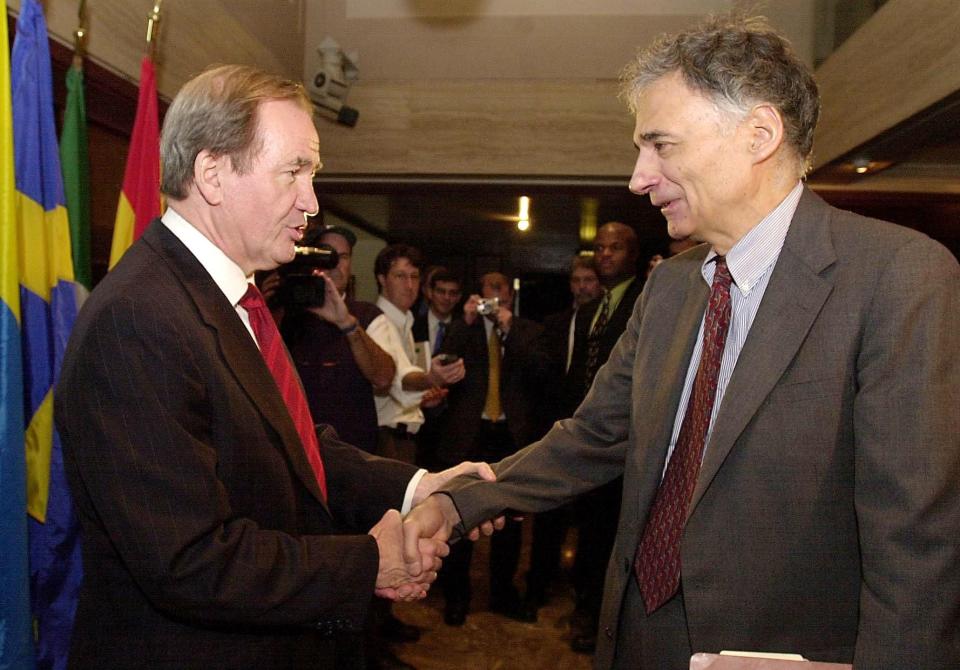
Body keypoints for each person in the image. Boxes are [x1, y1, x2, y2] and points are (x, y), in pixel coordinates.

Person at [406, 14, 960, 669]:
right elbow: (594, 437)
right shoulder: (669, 287)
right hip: (637, 634)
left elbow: (915, 544)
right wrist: (460, 503)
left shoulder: (897, 277)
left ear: (758, 135)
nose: (638, 178)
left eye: (660, 146)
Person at [54, 64, 491, 669]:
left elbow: (295, 451)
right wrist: (369, 561)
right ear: (212, 173)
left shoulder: (234, 298)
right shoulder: (140, 319)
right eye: (294, 172)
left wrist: (421, 484)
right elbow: (191, 561)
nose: (311, 202)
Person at [434, 272, 550, 625]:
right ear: (477, 296)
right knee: (460, 515)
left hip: (511, 437)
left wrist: (508, 327)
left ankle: (502, 593)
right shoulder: (464, 328)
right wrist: (467, 320)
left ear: (510, 299)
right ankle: (457, 597)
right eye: (487, 291)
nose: (493, 298)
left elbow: (542, 370)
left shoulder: (527, 331)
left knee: (509, 523)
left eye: (500, 292)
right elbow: (443, 361)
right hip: (470, 434)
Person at [522, 255, 603, 624]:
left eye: (590, 280)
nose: (583, 286)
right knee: (548, 516)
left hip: (599, 438)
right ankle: (537, 587)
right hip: (557, 434)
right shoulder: (555, 325)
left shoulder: (611, 327)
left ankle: (584, 599)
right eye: (577, 280)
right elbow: (539, 374)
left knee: (591, 523)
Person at [274, 223, 395, 454]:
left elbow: (383, 378)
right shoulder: (288, 315)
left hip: (354, 452)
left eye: (343, 256)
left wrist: (347, 324)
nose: (335, 264)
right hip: (299, 449)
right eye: (327, 255)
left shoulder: (367, 315)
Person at [368, 245, 465, 465]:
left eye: (414, 277)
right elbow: (398, 378)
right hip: (386, 440)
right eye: (400, 276)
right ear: (382, 279)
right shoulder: (379, 321)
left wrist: (423, 398)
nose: (409, 285)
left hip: (402, 438)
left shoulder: (404, 321)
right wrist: (431, 378)